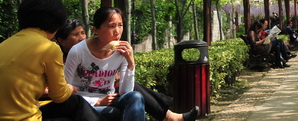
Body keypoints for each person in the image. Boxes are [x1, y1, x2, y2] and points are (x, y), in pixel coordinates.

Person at [56, 19, 198, 121]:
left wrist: (121, 67)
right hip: (83, 100)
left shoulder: (97, 52)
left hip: (106, 92)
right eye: (75, 35)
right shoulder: (58, 59)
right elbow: (61, 91)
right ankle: (168, 116)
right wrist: (97, 101)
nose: (81, 38)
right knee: (134, 91)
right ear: (61, 41)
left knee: (133, 93)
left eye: (82, 33)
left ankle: (169, 115)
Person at [0, 0, 104, 121]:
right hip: (26, 118)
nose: (82, 38)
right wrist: (69, 88)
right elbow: (59, 95)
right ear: (56, 25)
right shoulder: (49, 47)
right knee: (75, 104)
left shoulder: (4, 45)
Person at [64, 7, 146, 121]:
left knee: (136, 97)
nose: (117, 31)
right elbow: (64, 90)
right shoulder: (78, 51)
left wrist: (130, 63)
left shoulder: (121, 51)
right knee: (118, 114)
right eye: (111, 26)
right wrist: (97, 101)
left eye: (120, 25)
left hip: (110, 101)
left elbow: (125, 92)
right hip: (83, 104)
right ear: (96, 30)